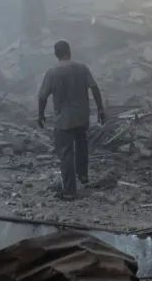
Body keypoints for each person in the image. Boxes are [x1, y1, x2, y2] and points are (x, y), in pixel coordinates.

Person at [37, 40, 106, 200]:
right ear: (69, 51)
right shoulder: (82, 68)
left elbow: (42, 96)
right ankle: (83, 177)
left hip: (64, 119)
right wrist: (100, 109)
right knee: (82, 146)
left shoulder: (52, 72)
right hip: (82, 116)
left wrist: (40, 114)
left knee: (66, 153)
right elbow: (94, 88)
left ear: (56, 54)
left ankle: (69, 191)